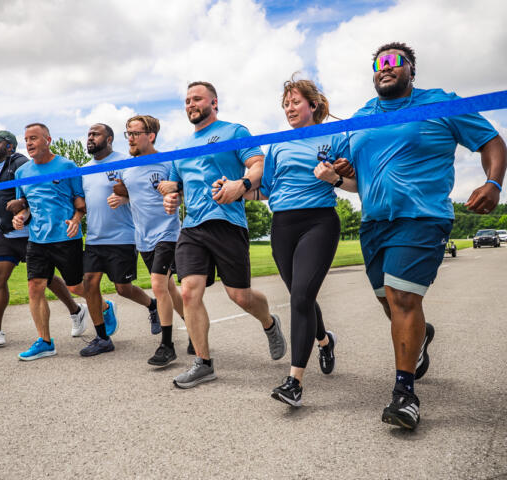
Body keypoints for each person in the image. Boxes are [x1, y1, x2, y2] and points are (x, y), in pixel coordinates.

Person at [318, 42, 506, 430]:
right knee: (391, 303)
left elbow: (492, 142)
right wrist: (338, 165)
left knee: (403, 298)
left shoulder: (440, 103)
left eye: (393, 62)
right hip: (374, 223)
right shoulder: (361, 118)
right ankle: (421, 336)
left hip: (423, 218)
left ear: (411, 71)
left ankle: (405, 395)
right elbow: (341, 166)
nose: (384, 68)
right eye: (378, 63)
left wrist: (493, 182)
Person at [160, 81, 286, 388]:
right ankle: (203, 363)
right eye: (187, 100)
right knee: (189, 292)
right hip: (191, 227)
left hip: (227, 223)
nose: (191, 104)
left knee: (239, 296)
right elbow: (176, 187)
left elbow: (257, 166)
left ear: (214, 103)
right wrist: (170, 197)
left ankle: (269, 323)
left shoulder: (235, 132)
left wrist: (240, 185)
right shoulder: (181, 148)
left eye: (197, 98)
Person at [254, 77, 347, 407]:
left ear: (313, 105)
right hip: (282, 225)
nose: (290, 109)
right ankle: (324, 340)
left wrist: (334, 177)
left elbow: (355, 182)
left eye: (295, 102)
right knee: (299, 296)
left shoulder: (336, 136)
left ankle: (294, 382)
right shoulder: (277, 144)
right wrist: (234, 191)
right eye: (286, 104)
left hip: (319, 221)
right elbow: (263, 189)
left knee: (302, 296)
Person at [0, 130, 88, 347]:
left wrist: (21, 208)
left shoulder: (23, 163)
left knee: (53, 281)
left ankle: (79, 309)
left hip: (31, 234)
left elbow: (31, 198)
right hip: (8, 232)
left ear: (10, 146)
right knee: (4, 278)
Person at [108, 115, 186, 366]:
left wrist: (175, 194)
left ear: (150, 136)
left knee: (158, 285)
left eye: (134, 133)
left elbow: (182, 190)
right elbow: (137, 195)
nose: (129, 138)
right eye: (127, 133)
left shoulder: (167, 162)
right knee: (169, 288)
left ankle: (167, 346)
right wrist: (123, 199)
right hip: (143, 237)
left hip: (168, 232)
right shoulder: (126, 168)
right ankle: (195, 331)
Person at [77, 123, 160, 357]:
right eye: (89, 134)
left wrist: (124, 198)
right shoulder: (83, 169)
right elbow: (82, 201)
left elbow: (141, 192)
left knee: (123, 288)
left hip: (122, 237)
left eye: (95, 134)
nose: (90, 138)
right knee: (89, 284)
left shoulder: (125, 162)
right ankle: (102, 338)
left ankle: (152, 306)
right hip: (94, 237)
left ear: (110, 138)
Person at [12, 123, 89, 360]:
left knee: (76, 287)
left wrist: (76, 219)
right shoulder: (21, 173)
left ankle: (102, 307)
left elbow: (80, 203)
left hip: (66, 237)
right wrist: (20, 217)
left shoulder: (67, 166)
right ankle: (45, 341)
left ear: (48, 139)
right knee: (35, 287)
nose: (29, 143)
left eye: (34, 138)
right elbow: (25, 207)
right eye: (26, 139)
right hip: (37, 239)